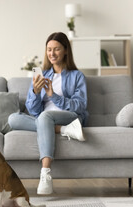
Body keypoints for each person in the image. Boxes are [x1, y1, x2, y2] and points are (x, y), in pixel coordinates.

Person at [8, 32, 88, 195]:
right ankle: (63, 131)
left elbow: (79, 106)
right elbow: (33, 111)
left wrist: (53, 96)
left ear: (66, 50)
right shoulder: (43, 75)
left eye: (56, 49)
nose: (52, 53)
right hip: (46, 119)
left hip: (70, 117)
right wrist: (36, 92)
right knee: (13, 119)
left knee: (45, 117)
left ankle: (45, 173)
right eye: (49, 49)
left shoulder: (77, 76)